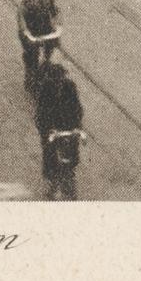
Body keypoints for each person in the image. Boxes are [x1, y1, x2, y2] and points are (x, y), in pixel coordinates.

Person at [35, 53, 84, 197]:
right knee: (49, 152)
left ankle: (70, 174)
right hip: (52, 128)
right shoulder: (45, 89)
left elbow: (77, 108)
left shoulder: (70, 87)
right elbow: (41, 113)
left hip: (68, 126)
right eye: (56, 78)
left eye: (61, 78)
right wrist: (47, 130)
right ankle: (51, 181)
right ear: (51, 78)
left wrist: (77, 126)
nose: (59, 81)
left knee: (72, 151)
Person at [18, 0, 60, 81]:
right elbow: (21, 16)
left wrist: (56, 25)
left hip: (44, 29)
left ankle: (46, 63)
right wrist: (26, 32)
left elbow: (55, 12)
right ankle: (30, 75)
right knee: (32, 54)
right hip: (30, 30)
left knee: (51, 47)